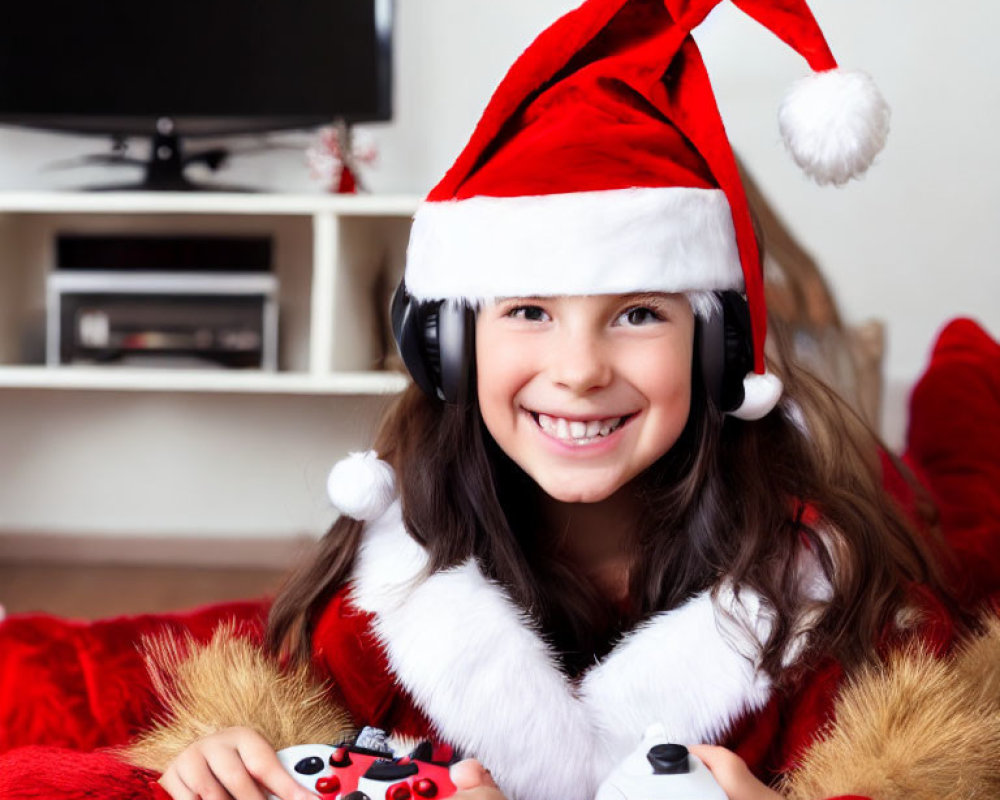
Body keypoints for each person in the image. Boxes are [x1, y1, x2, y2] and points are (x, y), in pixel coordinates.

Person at [140, 1, 978, 800]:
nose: (579, 370)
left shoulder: (828, 597)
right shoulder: (383, 586)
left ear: (720, 347)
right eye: (530, 312)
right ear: (450, 348)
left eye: (640, 313)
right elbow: (288, 708)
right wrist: (234, 745)